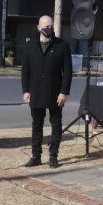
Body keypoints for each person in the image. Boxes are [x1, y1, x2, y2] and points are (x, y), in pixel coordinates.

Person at [21, 15, 72, 169]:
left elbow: (68, 72)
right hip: (35, 93)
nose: (49, 29)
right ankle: (36, 156)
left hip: (55, 94)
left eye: (51, 26)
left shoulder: (62, 45)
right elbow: (25, 71)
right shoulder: (30, 46)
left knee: (56, 125)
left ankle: (53, 156)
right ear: (39, 27)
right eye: (46, 26)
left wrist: (64, 92)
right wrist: (26, 91)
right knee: (36, 125)